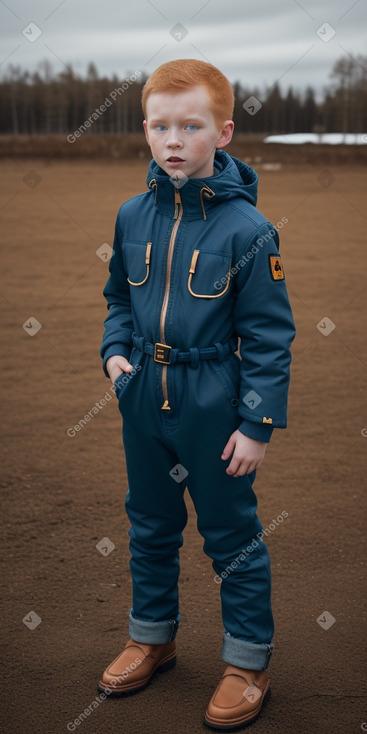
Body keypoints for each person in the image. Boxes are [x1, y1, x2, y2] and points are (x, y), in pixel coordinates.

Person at [99, 58, 296, 731]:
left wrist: (257, 423)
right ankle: (152, 636)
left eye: (190, 125)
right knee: (149, 526)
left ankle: (247, 663)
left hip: (214, 401)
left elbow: (269, 337)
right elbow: (117, 300)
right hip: (142, 397)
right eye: (160, 125)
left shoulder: (250, 231)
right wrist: (115, 356)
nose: (173, 139)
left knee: (231, 536)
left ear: (224, 132)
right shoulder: (130, 214)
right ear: (146, 131)